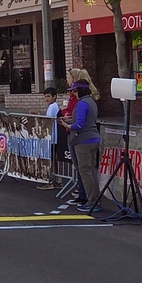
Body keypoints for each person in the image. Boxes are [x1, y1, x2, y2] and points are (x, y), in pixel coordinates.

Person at [61, 79, 102, 212]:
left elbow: (79, 124)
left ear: (79, 91)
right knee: (92, 171)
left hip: (83, 141)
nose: (73, 93)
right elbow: (85, 119)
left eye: (74, 90)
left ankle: (92, 202)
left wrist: (67, 125)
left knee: (85, 172)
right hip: (94, 138)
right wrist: (69, 120)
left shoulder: (82, 104)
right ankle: (95, 200)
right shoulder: (91, 102)